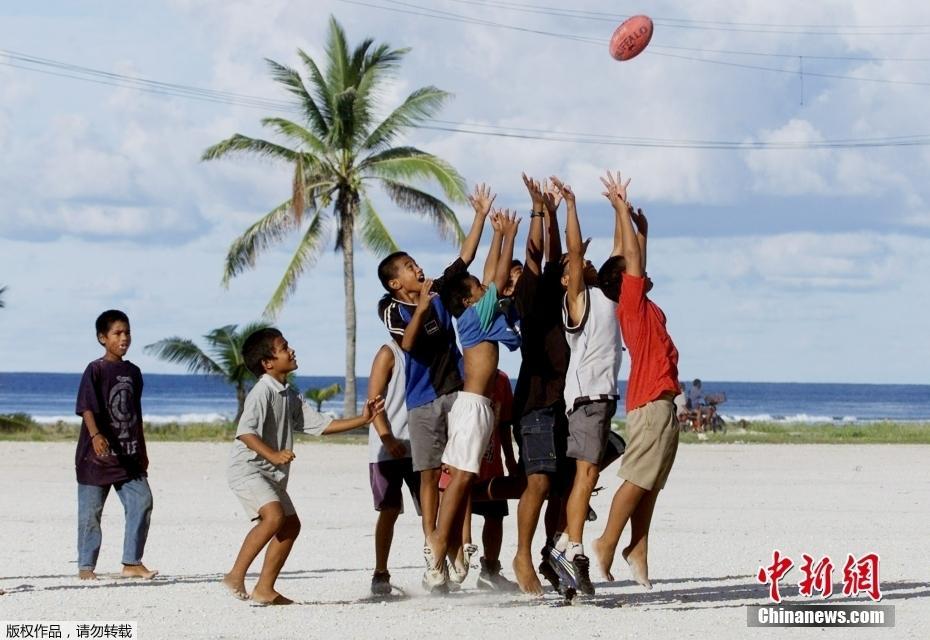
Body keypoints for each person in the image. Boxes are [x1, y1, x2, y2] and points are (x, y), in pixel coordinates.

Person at [376, 183, 492, 593]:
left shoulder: (440, 290)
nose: (416, 268)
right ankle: (433, 546)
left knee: (458, 472)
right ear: (395, 282)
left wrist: (479, 216)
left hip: (456, 391)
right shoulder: (391, 307)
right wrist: (423, 303)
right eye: (407, 266)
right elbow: (407, 344)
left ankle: (458, 545)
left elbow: (465, 258)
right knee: (427, 477)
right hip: (422, 400)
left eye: (415, 262)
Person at [223, 328, 384, 605]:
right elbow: (245, 433)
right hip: (248, 468)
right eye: (284, 347)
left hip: (269, 472)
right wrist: (273, 455)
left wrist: (363, 419)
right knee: (273, 518)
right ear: (268, 363)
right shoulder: (262, 391)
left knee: (290, 526)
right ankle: (235, 575)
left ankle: (264, 589)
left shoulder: (288, 393)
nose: (292, 350)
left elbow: (321, 425)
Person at [592, 171, 680, 592]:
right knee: (637, 478)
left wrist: (641, 231)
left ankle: (637, 547)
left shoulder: (641, 304)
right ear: (624, 282)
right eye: (634, 266)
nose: (640, 265)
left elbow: (632, 260)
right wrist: (621, 209)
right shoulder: (630, 303)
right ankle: (607, 542)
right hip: (649, 403)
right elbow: (628, 261)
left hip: (662, 402)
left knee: (652, 481)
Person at [426, 208, 520, 592]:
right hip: (471, 406)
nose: (486, 290)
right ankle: (436, 551)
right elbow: (496, 277)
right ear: (468, 301)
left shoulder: (477, 316)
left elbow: (491, 279)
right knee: (461, 479)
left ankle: (446, 555)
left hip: (478, 407)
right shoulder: (474, 318)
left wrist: (498, 236)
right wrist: (507, 235)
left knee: (465, 481)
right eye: (478, 290)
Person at [547, 176, 623, 596]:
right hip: (586, 400)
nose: (585, 264)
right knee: (585, 473)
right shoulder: (577, 299)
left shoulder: (607, 296)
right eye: (576, 267)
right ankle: (571, 548)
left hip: (605, 399)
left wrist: (620, 211)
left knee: (599, 464)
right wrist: (571, 206)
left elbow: (619, 256)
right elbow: (574, 253)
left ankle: (563, 541)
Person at [510, 174, 574, 596]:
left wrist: (557, 211)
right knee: (539, 481)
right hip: (535, 404)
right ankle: (521, 556)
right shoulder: (530, 298)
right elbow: (536, 255)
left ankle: (551, 553)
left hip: (557, 405)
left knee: (563, 483)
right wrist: (538, 211)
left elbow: (553, 255)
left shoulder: (562, 302)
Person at [75, 309, 157, 581]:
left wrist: (142, 451)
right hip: (96, 458)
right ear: (102, 338)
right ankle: (86, 567)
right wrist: (97, 436)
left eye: (127, 332)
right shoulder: (95, 369)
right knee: (90, 514)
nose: (124, 338)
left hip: (129, 456)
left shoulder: (133, 372)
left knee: (142, 502)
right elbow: (87, 406)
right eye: (117, 333)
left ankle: (132, 562)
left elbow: (135, 414)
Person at [365, 340, 418, 596]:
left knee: (434, 510)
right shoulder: (389, 352)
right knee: (390, 509)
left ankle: (441, 568)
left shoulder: (428, 350)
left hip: (421, 444)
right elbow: (373, 400)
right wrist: (387, 437)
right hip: (388, 447)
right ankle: (380, 571)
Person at [469, 369, 520, 591]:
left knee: (495, 514)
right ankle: (446, 569)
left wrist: (510, 459)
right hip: (463, 460)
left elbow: (504, 424)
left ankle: (490, 570)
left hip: (492, 462)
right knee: (455, 516)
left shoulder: (502, 379)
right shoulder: (462, 373)